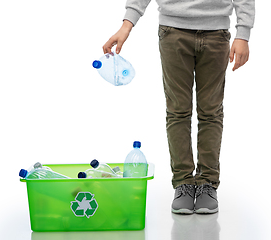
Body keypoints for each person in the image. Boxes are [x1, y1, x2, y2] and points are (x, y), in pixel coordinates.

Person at [103, 0, 255, 214]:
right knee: (177, 111)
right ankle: (183, 183)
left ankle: (207, 184)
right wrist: (127, 24)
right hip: (173, 30)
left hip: (216, 32)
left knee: (211, 112)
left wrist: (243, 33)